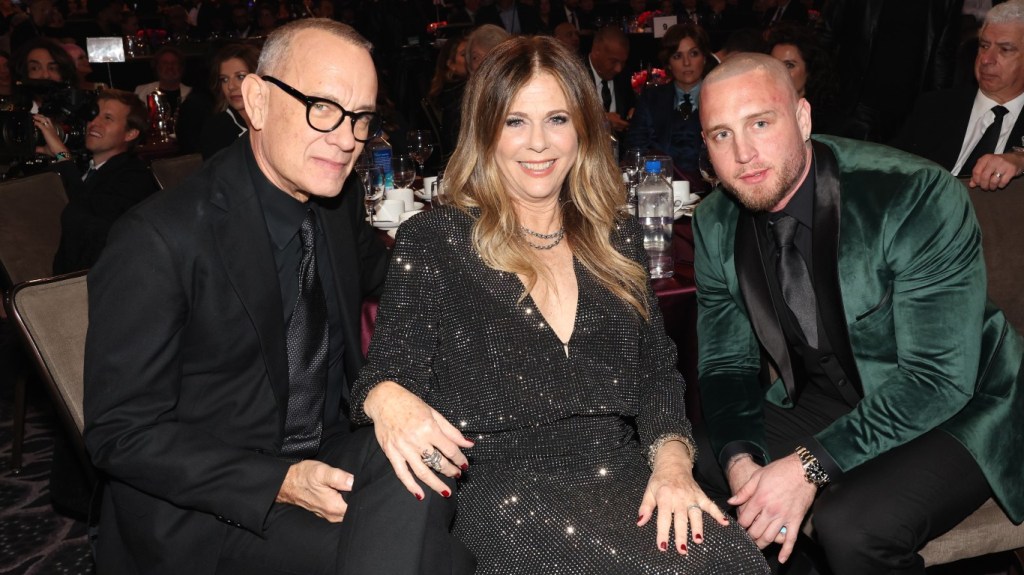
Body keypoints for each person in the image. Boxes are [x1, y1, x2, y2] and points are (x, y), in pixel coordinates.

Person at [350, 35, 770, 575]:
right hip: (502, 490)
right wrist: (387, 398)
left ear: (583, 129)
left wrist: (672, 468)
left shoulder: (615, 235)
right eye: (515, 122)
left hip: (622, 473)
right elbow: (383, 376)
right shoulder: (435, 240)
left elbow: (657, 374)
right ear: (485, 130)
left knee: (732, 560)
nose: (538, 144)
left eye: (557, 119)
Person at [83, 19, 474, 575]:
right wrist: (280, 482)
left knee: (425, 451)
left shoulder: (332, 208)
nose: (347, 139)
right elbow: (120, 434)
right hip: (209, 508)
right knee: (441, 558)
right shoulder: (158, 239)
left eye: (361, 118)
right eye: (323, 107)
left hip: (325, 450)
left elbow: (400, 277)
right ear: (258, 102)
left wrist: (507, 264)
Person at [692, 52, 1024, 575]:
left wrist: (805, 468)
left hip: (960, 403)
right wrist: (740, 463)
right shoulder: (713, 222)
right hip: (833, 393)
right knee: (704, 454)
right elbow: (725, 366)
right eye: (721, 135)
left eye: (760, 122)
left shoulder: (912, 194)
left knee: (852, 524)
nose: (744, 154)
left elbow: (937, 379)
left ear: (802, 119)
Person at [893, 0, 1024, 192]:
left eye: (1005, 49)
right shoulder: (935, 107)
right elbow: (890, 167)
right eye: (984, 46)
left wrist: (1020, 159)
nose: (986, 59)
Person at [33, 88, 155, 273]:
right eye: (94, 115)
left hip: (99, 283)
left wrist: (63, 157)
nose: (94, 123)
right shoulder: (87, 167)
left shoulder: (134, 177)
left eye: (108, 118)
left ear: (130, 134)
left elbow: (85, 216)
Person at [625, 23, 715, 175]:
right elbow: (636, 150)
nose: (686, 63)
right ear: (668, 63)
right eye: (677, 56)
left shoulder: (719, 98)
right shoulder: (650, 98)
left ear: (704, 58)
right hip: (660, 186)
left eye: (694, 54)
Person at [767, 23, 840, 135]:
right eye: (774, 64)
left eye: (789, 65)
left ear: (810, 69)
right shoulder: (763, 106)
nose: (779, 71)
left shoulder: (826, 121)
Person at [199, 43, 259, 159]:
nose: (231, 86)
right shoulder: (216, 129)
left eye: (240, 77)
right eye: (224, 79)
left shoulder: (277, 120)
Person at [587, 25, 633, 138]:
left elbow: (631, 105)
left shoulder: (624, 75)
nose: (619, 68)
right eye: (613, 61)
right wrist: (602, 122)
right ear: (596, 51)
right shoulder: (574, 76)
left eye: (623, 62)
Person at [133, 45, 190, 118]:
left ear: (181, 68)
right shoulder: (142, 91)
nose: (170, 67)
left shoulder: (191, 94)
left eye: (174, 63)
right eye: (165, 63)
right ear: (157, 67)